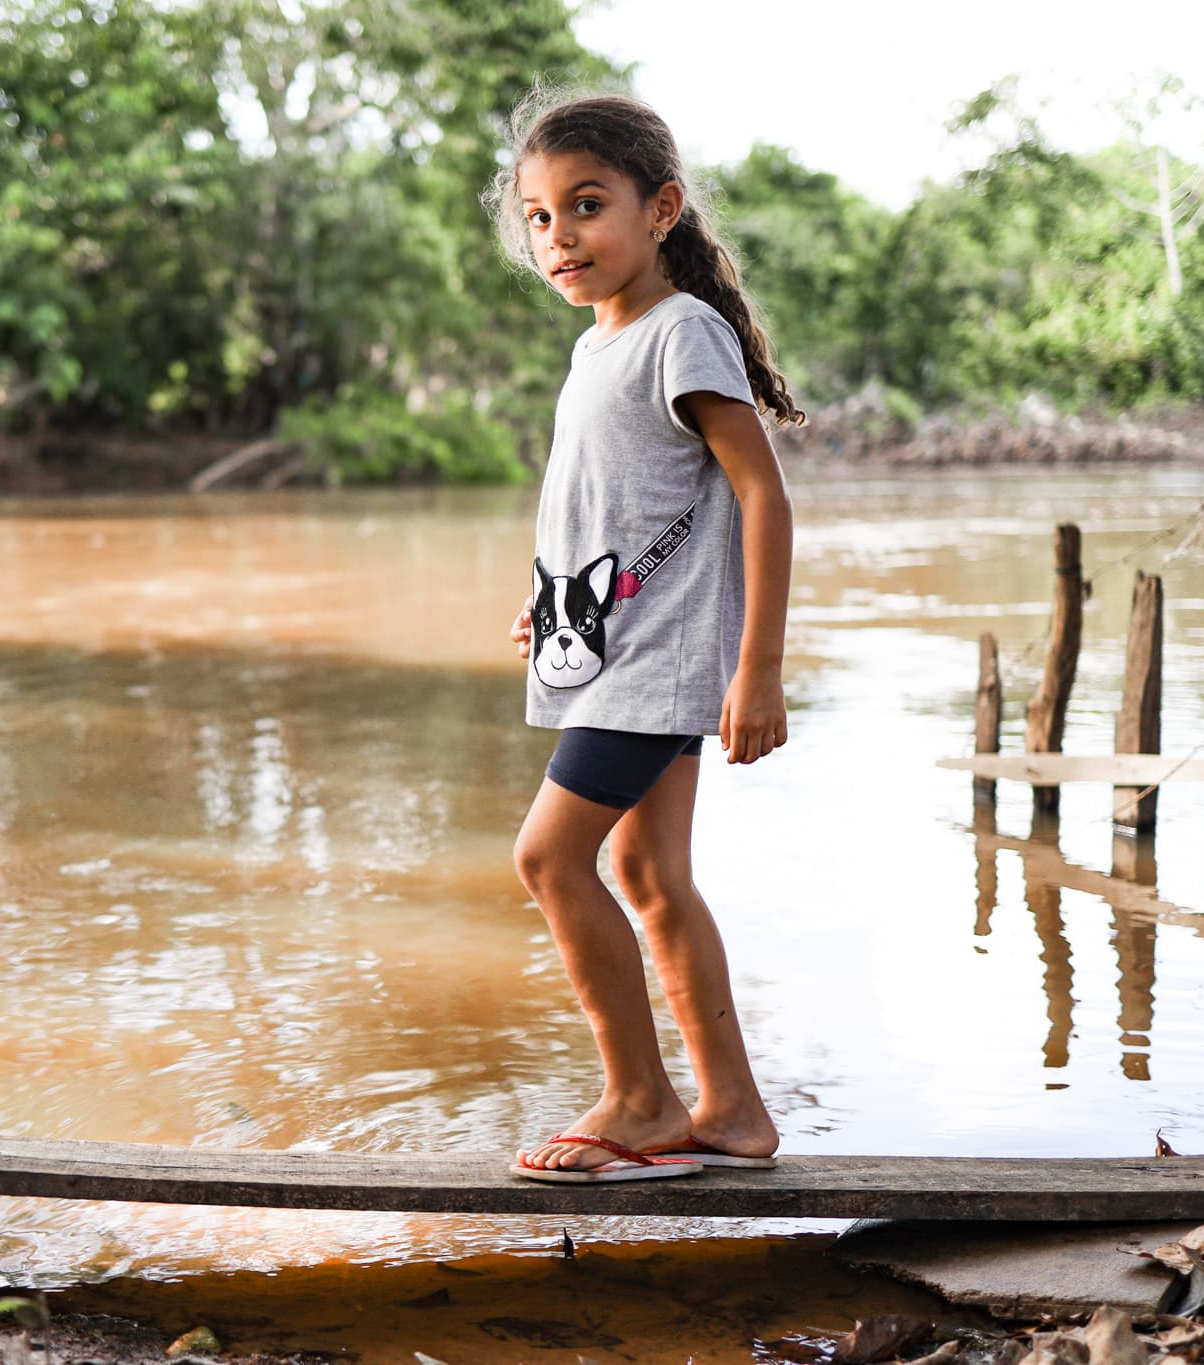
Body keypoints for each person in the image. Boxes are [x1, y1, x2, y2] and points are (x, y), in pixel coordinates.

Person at [486, 89, 803, 1184]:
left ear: (659, 207)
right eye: (536, 217)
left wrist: (755, 667)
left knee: (546, 855)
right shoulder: (596, 350)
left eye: (584, 205)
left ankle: (638, 1095)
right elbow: (622, 511)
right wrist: (554, 599)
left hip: (659, 666)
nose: (558, 236)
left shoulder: (681, 331)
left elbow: (759, 497)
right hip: (611, 648)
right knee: (649, 872)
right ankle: (730, 1113)